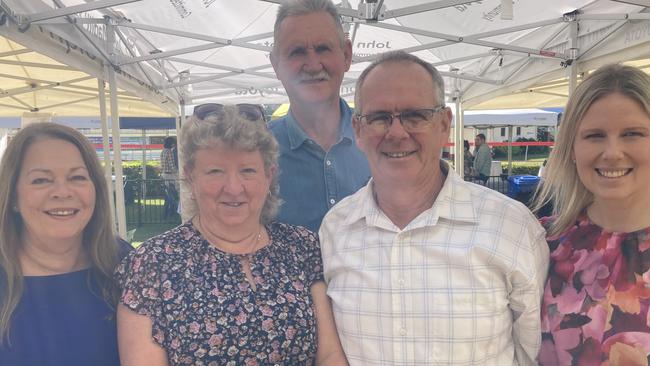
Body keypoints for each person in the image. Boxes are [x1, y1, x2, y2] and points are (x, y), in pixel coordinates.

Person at [319, 51, 549, 365]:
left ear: (443, 124)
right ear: (358, 130)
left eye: (415, 115)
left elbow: (534, 354)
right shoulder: (334, 229)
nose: (397, 133)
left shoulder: (511, 227)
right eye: (379, 117)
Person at [116, 105, 347, 365]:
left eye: (247, 170)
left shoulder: (301, 247)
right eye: (215, 171)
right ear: (191, 178)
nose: (234, 188)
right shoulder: (152, 263)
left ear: (269, 177)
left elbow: (329, 355)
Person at [533, 64, 650, 365]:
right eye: (595, 136)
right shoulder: (540, 244)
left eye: (633, 134)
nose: (612, 152)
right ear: (571, 148)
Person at [0, 123, 131, 366]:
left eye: (77, 177)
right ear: (13, 197)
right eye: (40, 180)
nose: (62, 192)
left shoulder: (125, 263)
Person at [269, 0, 370, 232]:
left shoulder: (384, 140)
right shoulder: (254, 151)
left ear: (346, 55)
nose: (313, 65)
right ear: (276, 64)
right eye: (297, 52)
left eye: (323, 48)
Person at [160, 136, 179, 217]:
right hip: (171, 175)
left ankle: (167, 213)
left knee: (168, 195)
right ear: (171, 143)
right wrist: (178, 172)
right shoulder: (169, 152)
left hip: (164, 174)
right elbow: (172, 165)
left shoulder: (163, 151)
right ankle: (176, 211)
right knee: (175, 195)